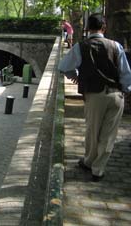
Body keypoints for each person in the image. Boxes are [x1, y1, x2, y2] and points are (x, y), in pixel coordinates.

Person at [58, 13, 131, 182]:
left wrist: (75, 76)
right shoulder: (116, 46)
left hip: (94, 95)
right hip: (115, 94)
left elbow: (63, 67)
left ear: (87, 28)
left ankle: (89, 161)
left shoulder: (81, 46)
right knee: (109, 135)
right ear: (104, 28)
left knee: (93, 131)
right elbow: (126, 73)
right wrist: (125, 91)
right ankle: (98, 169)